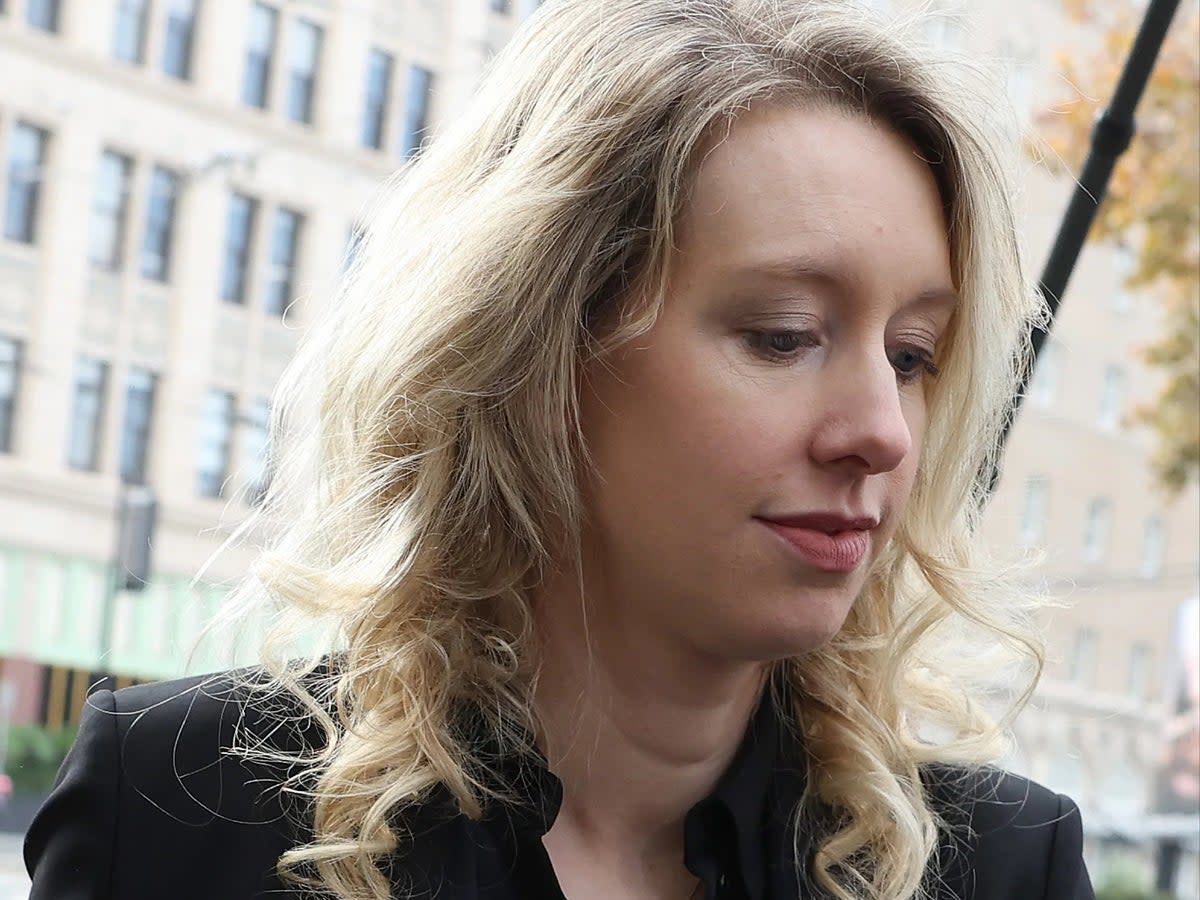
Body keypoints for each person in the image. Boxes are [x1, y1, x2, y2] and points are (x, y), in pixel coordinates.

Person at [25, 1, 1095, 898]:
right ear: (540, 346)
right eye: (783, 335)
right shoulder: (181, 804)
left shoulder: (1000, 865)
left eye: (913, 354)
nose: (879, 430)